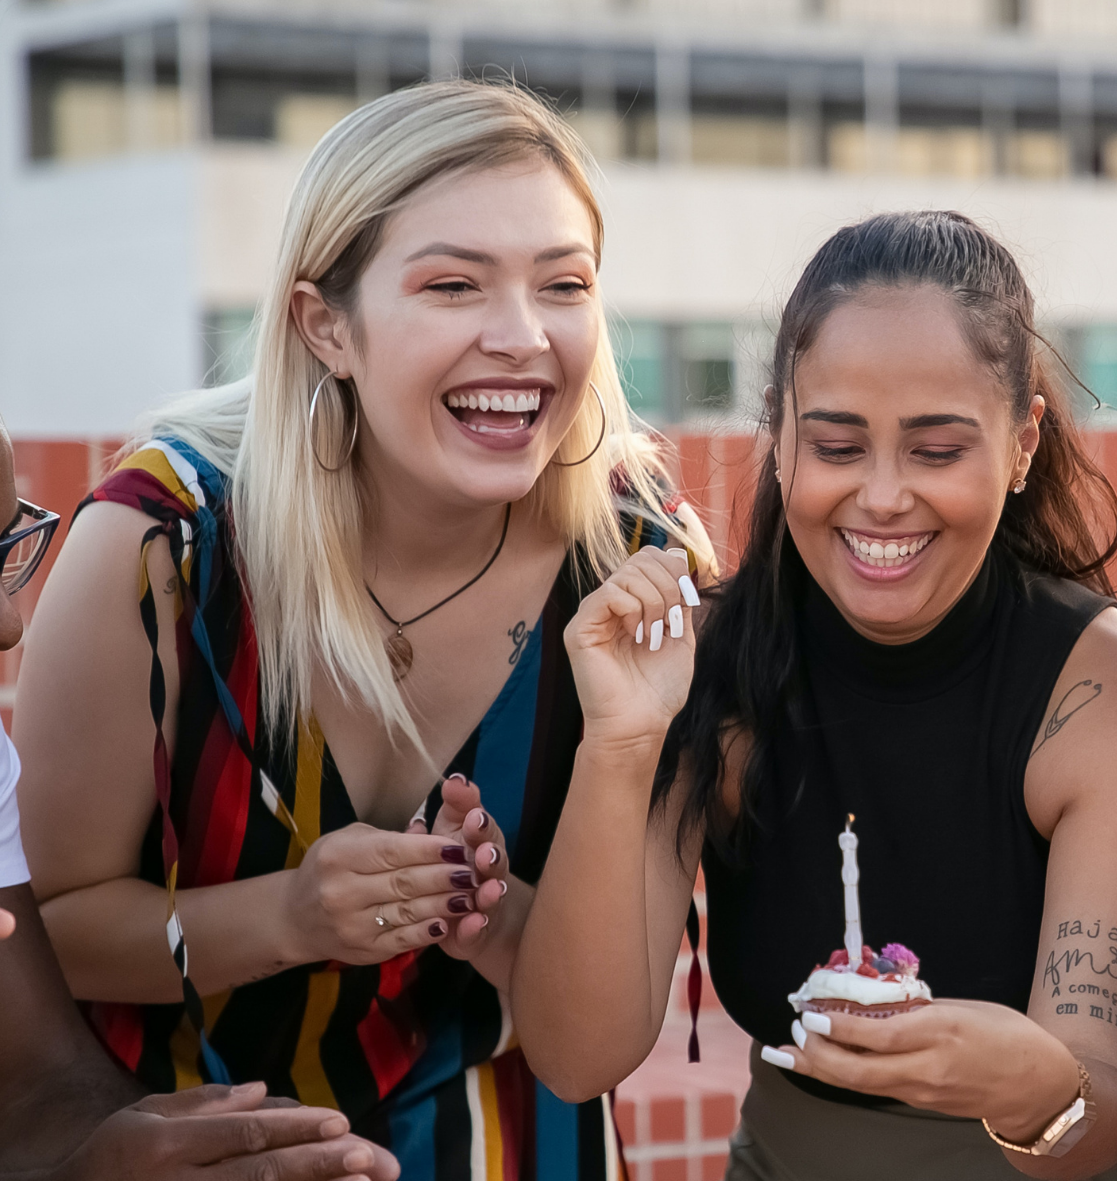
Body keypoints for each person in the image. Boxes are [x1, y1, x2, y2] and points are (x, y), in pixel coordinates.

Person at [12, 81, 709, 1178]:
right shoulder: (161, 547)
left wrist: (533, 885)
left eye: (563, 284)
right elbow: (47, 939)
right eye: (452, 284)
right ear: (324, 323)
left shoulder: (640, 577)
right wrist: (287, 913)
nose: (522, 337)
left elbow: (587, 1053)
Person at [508, 210, 1117, 1180]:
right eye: (836, 445)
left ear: (1021, 442)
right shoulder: (697, 670)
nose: (880, 496)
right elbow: (579, 1057)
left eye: (935, 449)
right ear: (780, 438)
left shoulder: (1101, 697)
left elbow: (1098, 1113)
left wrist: (1014, 1082)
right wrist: (620, 743)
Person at [0, 423, 399, 1181]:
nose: (10, 625)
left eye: (2, 550)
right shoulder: (169, 534)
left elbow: (33, 1080)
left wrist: (174, 1146)